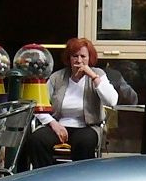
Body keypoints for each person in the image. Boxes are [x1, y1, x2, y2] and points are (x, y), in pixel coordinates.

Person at [21, 37, 119, 169]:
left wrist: (93, 77)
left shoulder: (97, 74)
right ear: (69, 58)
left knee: (84, 142)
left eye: (83, 56)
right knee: (36, 139)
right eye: (75, 56)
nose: (79, 60)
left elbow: (112, 100)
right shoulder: (57, 77)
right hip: (58, 125)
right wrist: (53, 123)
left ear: (90, 58)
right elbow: (39, 105)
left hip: (87, 127)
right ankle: (46, 178)